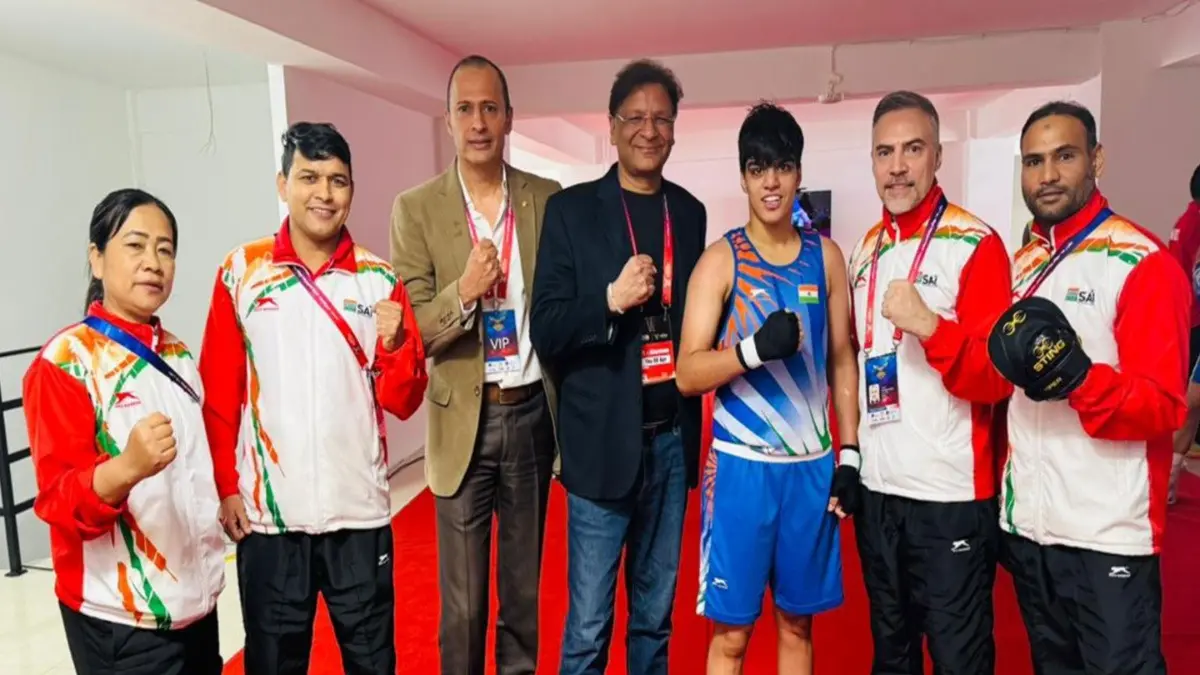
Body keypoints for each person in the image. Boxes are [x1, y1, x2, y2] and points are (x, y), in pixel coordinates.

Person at [198, 122, 428, 675]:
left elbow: (405, 400)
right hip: (272, 523)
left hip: (360, 515)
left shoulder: (378, 279)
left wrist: (396, 345)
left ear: (352, 190)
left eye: (338, 180)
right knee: (275, 663)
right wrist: (226, 488)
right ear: (283, 184)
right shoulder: (242, 273)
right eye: (309, 178)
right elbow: (220, 392)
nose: (324, 194)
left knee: (373, 663)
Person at [989, 101, 1189, 675]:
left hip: (1109, 537)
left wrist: (1078, 378)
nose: (1047, 175)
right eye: (1033, 161)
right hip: (1033, 530)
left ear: (1096, 159)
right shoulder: (1023, 264)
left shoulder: (1142, 262)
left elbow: (1162, 407)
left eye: (1064, 156)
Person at [530, 59, 707, 675]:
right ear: (612, 126)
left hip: (671, 443)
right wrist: (608, 299)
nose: (649, 130)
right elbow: (546, 328)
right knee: (587, 626)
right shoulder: (571, 212)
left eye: (662, 119)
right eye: (636, 117)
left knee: (655, 620)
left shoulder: (689, 212)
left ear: (675, 130)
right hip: (603, 445)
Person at [390, 55, 562, 675]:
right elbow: (412, 329)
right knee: (462, 608)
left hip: (531, 419)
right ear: (447, 121)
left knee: (522, 596)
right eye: (465, 109)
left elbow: (560, 309)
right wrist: (464, 291)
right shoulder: (416, 209)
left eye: (490, 108)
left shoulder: (546, 199)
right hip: (464, 419)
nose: (479, 122)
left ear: (510, 117)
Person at [675, 103, 860, 675]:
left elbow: (843, 358)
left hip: (810, 467)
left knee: (797, 624)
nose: (771, 181)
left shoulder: (825, 258)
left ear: (799, 172)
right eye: (758, 168)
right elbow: (686, 374)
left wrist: (849, 454)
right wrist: (751, 350)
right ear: (743, 177)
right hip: (741, 471)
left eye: (781, 166)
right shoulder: (720, 261)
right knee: (731, 636)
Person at [844, 90, 1013, 674]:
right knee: (891, 656)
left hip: (949, 498)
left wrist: (932, 328)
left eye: (912, 149)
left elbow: (996, 381)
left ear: (937, 155)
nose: (897, 166)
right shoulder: (865, 250)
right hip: (879, 491)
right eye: (884, 152)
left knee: (958, 659)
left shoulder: (977, 246)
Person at [23, 188, 226, 674]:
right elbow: (58, 501)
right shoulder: (66, 363)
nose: (153, 262)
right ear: (97, 259)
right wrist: (128, 467)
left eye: (165, 249)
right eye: (135, 246)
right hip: (120, 620)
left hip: (196, 607)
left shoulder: (175, 353)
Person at [1166, 163, 1200, 502]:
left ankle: (1170, 480)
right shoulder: (1195, 222)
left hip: (1187, 318)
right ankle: (1169, 481)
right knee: (1191, 401)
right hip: (1193, 320)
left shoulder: (1186, 219)